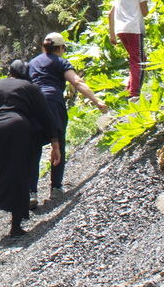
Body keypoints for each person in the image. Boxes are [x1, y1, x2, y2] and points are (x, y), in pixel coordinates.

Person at [0, 60, 62, 250]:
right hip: (17, 129)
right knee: (18, 175)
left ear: (9, 72)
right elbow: (46, 116)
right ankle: (15, 227)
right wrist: (55, 142)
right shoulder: (31, 87)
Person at [28, 33, 109, 204]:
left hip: (34, 106)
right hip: (54, 104)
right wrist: (96, 101)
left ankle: (31, 192)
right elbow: (77, 82)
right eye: (64, 48)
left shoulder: (32, 63)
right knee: (58, 142)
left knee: (34, 148)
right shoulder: (61, 62)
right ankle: (56, 188)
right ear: (60, 48)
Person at [109, 0, 151, 99]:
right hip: (133, 29)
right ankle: (134, 93)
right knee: (139, 61)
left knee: (137, 58)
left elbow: (111, 13)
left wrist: (112, 34)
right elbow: (145, 12)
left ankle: (128, 89)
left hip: (122, 30)